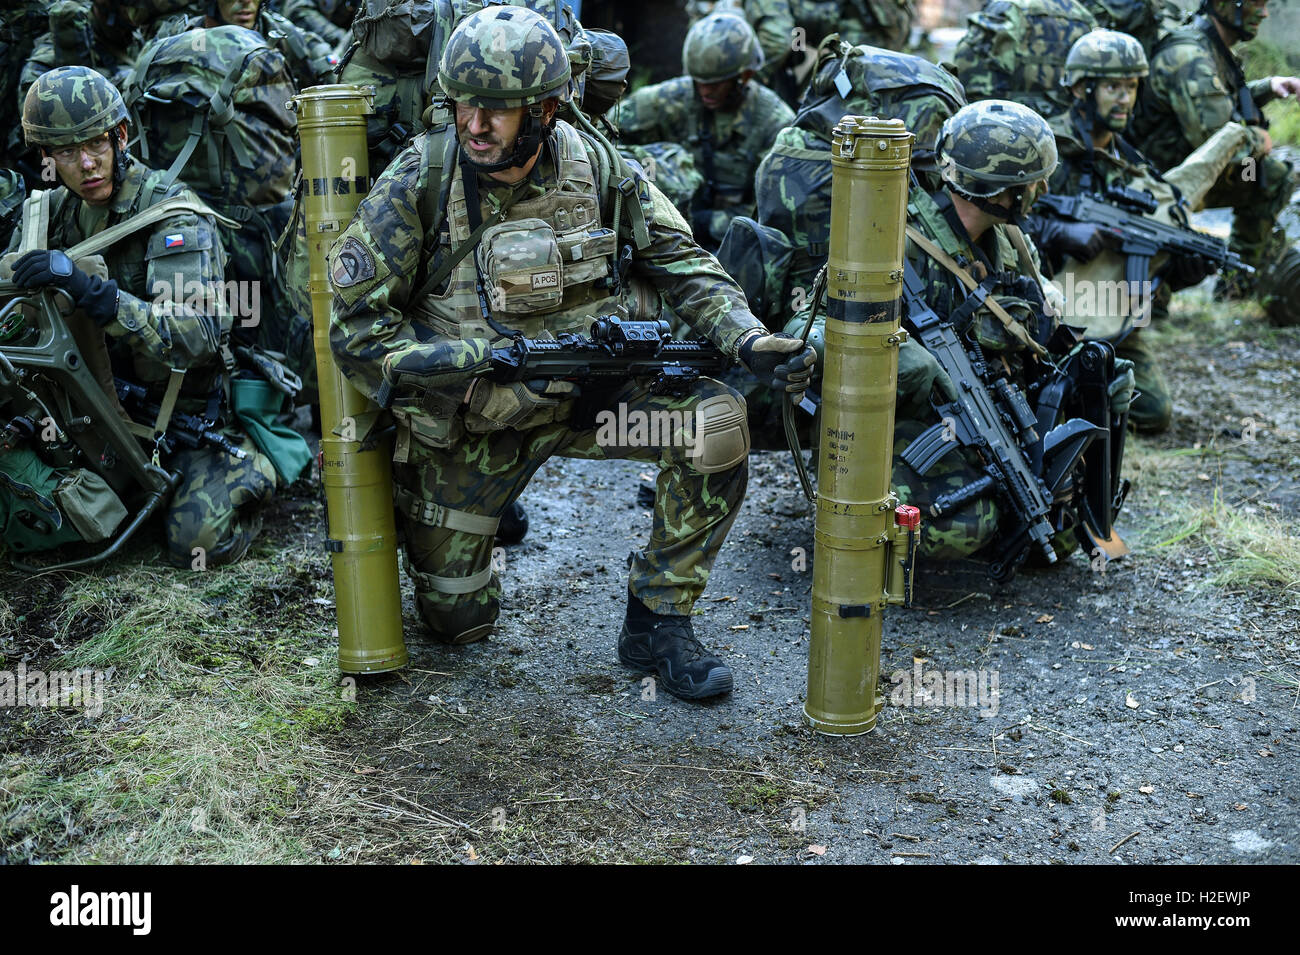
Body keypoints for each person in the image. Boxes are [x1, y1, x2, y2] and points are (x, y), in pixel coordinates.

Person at [327, 6, 816, 699]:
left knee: (715, 424)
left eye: (497, 110)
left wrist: (747, 336)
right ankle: (480, 522)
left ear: (547, 108)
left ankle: (658, 621)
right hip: (477, 426)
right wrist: (470, 364)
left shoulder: (600, 165)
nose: (475, 125)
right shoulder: (422, 182)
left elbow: (681, 261)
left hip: (596, 404)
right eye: (466, 104)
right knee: (458, 623)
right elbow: (355, 333)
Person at [2, 67, 277, 565]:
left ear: (121, 136)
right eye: (66, 152)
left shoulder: (171, 218)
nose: (86, 164)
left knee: (193, 542)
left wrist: (96, 296)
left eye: (96, 145)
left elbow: (199, 334)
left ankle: (248, 467)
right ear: (47, 158)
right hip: (88, 411)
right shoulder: (48, 216)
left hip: (176, 421)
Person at [892, 100, 1133, 565]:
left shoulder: (1009, 241)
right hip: (905, 414)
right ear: (1000, 189)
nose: (1042, 189)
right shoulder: (897, 241)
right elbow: (826, 331)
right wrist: (908, 359)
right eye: (1033, 181)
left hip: (991, 405)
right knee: (962, 527)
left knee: (1058, 526)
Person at [1029, 28, 1219, 433]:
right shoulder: (1049, 148)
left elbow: (1152, 271)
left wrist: (1189, 268)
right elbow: (1007, 221)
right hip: (1045, 309)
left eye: (1132, 87)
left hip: (1110, 310)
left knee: (1151, 411)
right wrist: (1058, 232)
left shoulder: (1132, 163)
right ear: (1081, 88)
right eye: (1113, 86)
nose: (1125, 98)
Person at [1132, 0, 1299, 298]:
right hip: (1163, 183)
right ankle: (1160, 293)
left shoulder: (1212, 46)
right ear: (1224, 5)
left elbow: (1224, 102)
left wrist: (1269, 86)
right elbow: (1221, 144)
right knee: (1263, 171)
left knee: (1266, 178)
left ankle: (1236, 286)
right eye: (1255, 4)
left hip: (1195, 173)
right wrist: (1261, 140)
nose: (1264, 13)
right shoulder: (1189, 56)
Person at [616, 11, 794, 251]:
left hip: (740, 244)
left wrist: (709, 222)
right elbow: (607, 132)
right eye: (699, 82)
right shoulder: (670, 99)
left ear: (745, 76)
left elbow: (775, 215)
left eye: (715, 84)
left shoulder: (775, 122)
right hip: (668, 234)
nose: (705, 91)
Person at [950, 0, 1099, 120]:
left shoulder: (1005, 10)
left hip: (1009, 127)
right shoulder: (1082, 15)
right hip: (1071, 132)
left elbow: (968, 70)